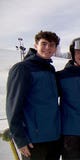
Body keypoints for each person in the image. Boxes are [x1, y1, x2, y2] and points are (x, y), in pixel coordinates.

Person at [6, 31, 61, 160]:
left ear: (55, 48)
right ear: (36, 45)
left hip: (53, 138)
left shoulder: (50, 70)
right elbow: (13, 107)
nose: (47, 48)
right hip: (33, 141)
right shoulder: (22, 68)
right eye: (44, 44)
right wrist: (20, 139)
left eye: (51, 45)